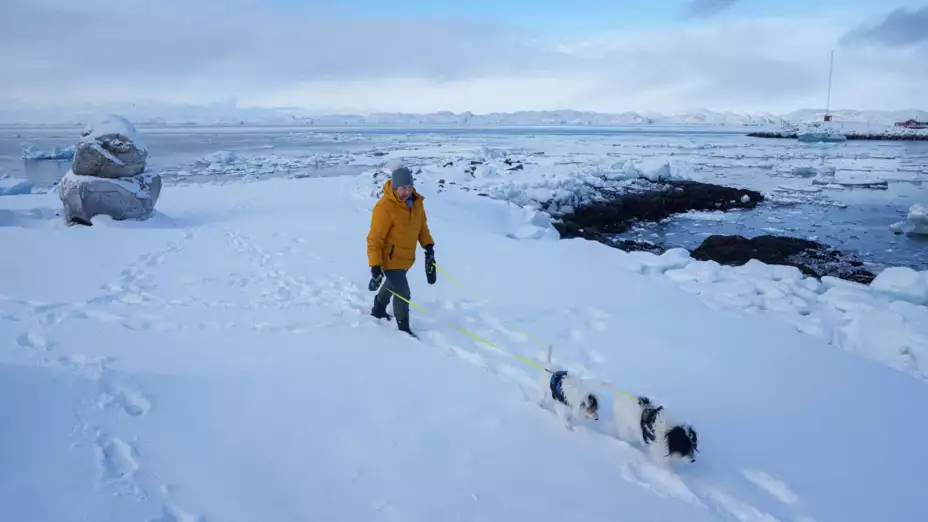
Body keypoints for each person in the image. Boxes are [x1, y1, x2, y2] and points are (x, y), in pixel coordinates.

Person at [366, 166, 436, 336]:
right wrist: (375, 265)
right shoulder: (385, 206)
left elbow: (422, 228)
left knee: (392, 284)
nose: (406, 191)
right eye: (402, 188)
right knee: (403, 292)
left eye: (409, 187)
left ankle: (378, 308)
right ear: (395, 187)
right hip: (389, 259)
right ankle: (403, 328)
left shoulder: (417, 203)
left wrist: (428, 247)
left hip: (406, 257)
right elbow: (375, 239)